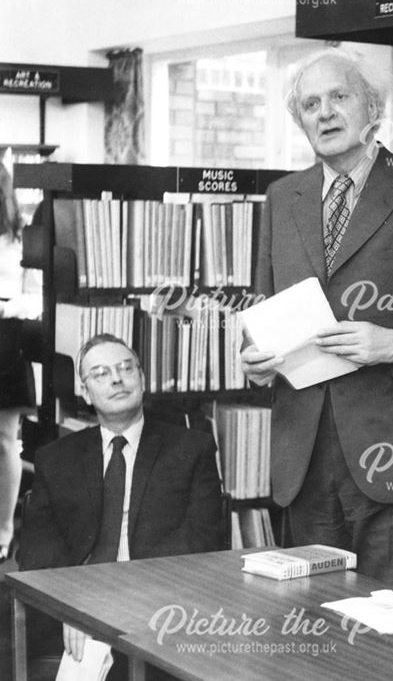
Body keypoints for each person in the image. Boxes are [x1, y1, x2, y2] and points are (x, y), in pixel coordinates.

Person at [241, 47, 393, 592]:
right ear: (299, 121)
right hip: (304, 459)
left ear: (371, 106)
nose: (324, 113)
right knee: (310, 629)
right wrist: (257, 363)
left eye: (339, 97)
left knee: (392, 634)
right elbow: (266, 311)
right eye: (309, 104)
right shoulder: (282, 198)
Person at [19, 333, 225, 669]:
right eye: (100, 374)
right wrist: (72, 602)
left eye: (126, 369)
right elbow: (38, 547)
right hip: (80, 598)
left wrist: (124, 596)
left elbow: (201, 539)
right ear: (85, 392)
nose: (116, 379)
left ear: (142, 379)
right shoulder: (56, 459)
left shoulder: (191, 450)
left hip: (158, 598)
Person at [0, 147, 41, 561]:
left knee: (6, 441)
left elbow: (36, 300)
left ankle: (4, 528)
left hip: (6, 342)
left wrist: (6, 305)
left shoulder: (20, 236)